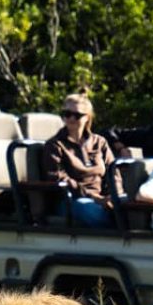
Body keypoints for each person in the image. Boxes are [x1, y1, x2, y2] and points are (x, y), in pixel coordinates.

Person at [42, 93, 118, 228]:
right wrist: (94, 197)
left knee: (128, 208)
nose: (71, 118)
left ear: (87, 117)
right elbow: (59, 178)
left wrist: (114, 196)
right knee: (93, 212)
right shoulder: (55, 145)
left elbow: (113, 172)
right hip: (71, 199)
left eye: (77, 115)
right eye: (67, 114)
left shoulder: (99, 142)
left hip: (101, 197)